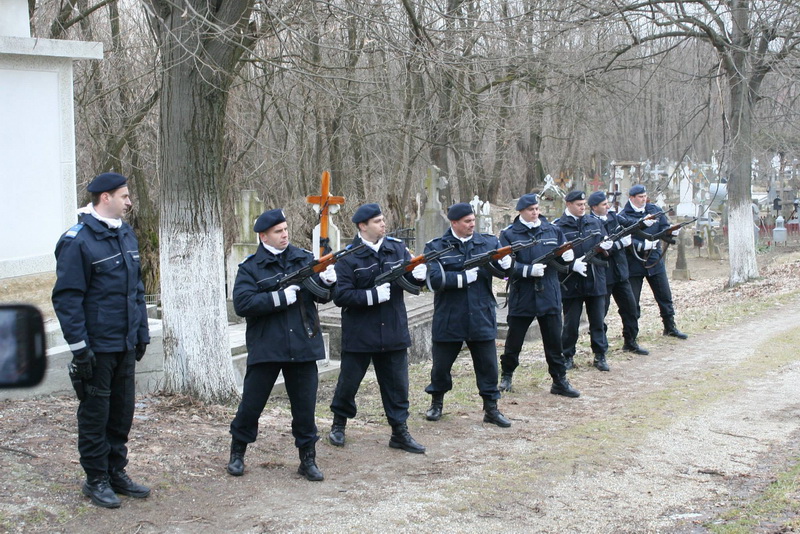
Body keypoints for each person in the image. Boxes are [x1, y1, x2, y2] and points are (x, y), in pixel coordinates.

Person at [52, 172, 150, 508]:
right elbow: (67, 298)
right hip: (96, 346)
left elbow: (136, 290)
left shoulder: (125, 233)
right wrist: (79, 348)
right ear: (105, 197)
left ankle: (115, 471)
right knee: (96, 414)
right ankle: (96, 479)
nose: (129, 201)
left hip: (124, 342)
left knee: (122, 413)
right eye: (124, 196)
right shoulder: (77, 241)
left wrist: (141, 334)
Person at [227, 209, 336, 481]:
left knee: (305, 408)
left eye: (286, 229)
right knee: (251, 405)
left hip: (302, 343)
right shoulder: (250, 268)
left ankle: (307, 459)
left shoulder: (302, 259)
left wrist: (327, 281)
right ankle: (237, 452)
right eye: (278, 231)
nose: (284, 234)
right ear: (263, 236)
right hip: (267, 346)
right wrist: (277, 299)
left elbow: (321, 296)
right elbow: (242, 304)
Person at [328, 203, 426, 454]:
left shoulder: (396, 248)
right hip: (361, 331)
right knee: (348, 383)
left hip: (393, 328)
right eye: (377, 221)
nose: (383, 224)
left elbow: (409, 281)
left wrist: (419, 276)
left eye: (383, 219)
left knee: (397, 385)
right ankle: (339, 424)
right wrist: (371, 295)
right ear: (363, 226)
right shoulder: (348, 257)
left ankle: (399, 431)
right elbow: (341, 295)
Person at [423, 202, 513, 427]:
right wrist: (461, 279)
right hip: (450, 316)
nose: (472, 224)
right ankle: (437, 402)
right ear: (454, 223)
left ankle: (491, 408)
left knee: (488, 366)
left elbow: (503, 274)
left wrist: (506, 265)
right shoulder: (436, 247)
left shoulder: (489, 243)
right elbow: (433, 280)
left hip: (481, 313)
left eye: (473, 220)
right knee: (441, 366)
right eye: (467, 221)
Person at [498, 193, 580, 397]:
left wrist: (567, 260)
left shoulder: (552, 230)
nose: (535, 213)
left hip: (549, 292)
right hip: (523, 293)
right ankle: (506, 375)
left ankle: (559, 380)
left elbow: (561, 263)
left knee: (554, 341)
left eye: (537, 209)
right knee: (514, 340)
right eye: (530, 210)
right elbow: (506, 267)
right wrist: (527, 270)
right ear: (520, 212)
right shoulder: (509, 234)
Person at [618, 185, 688, 339]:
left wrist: (670, 231)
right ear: (631, 198)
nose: (643, 199)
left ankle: (670, 327)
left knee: (664, 295)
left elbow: (663, 228)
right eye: (640, 197)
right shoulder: (623, 216)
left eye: (644, 196)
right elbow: (624, 237)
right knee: (631, 301)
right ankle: (630, 336)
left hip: (654, 259)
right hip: (634, 262)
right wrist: (641, 244)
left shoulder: (654, 210)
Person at [554, 190, 612, 372]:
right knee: (571, 323)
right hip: (571, 282)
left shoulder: (593, 222)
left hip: (595, 278)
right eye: (579, 204)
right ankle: (567, 355)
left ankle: (600, 355)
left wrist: (606, 246)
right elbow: (553, 257)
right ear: (568, 204)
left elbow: (602, 243)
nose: (582, 207)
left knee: (597, 320)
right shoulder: (558, 227)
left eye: (584, 204)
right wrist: (571, 266)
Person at [587, 192, 649, 355]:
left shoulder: (613, 217)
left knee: (630, 308)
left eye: (607, 203)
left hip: (621, 273)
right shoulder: (589, 223)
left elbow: (631, 224)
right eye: (603, 205)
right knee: (600, 314)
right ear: (594, 207)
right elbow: (598, 247)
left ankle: (630, 341)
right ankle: (600, 349)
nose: (608, 207)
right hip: (604, 275)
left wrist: (645, 222)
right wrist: (619, 244)